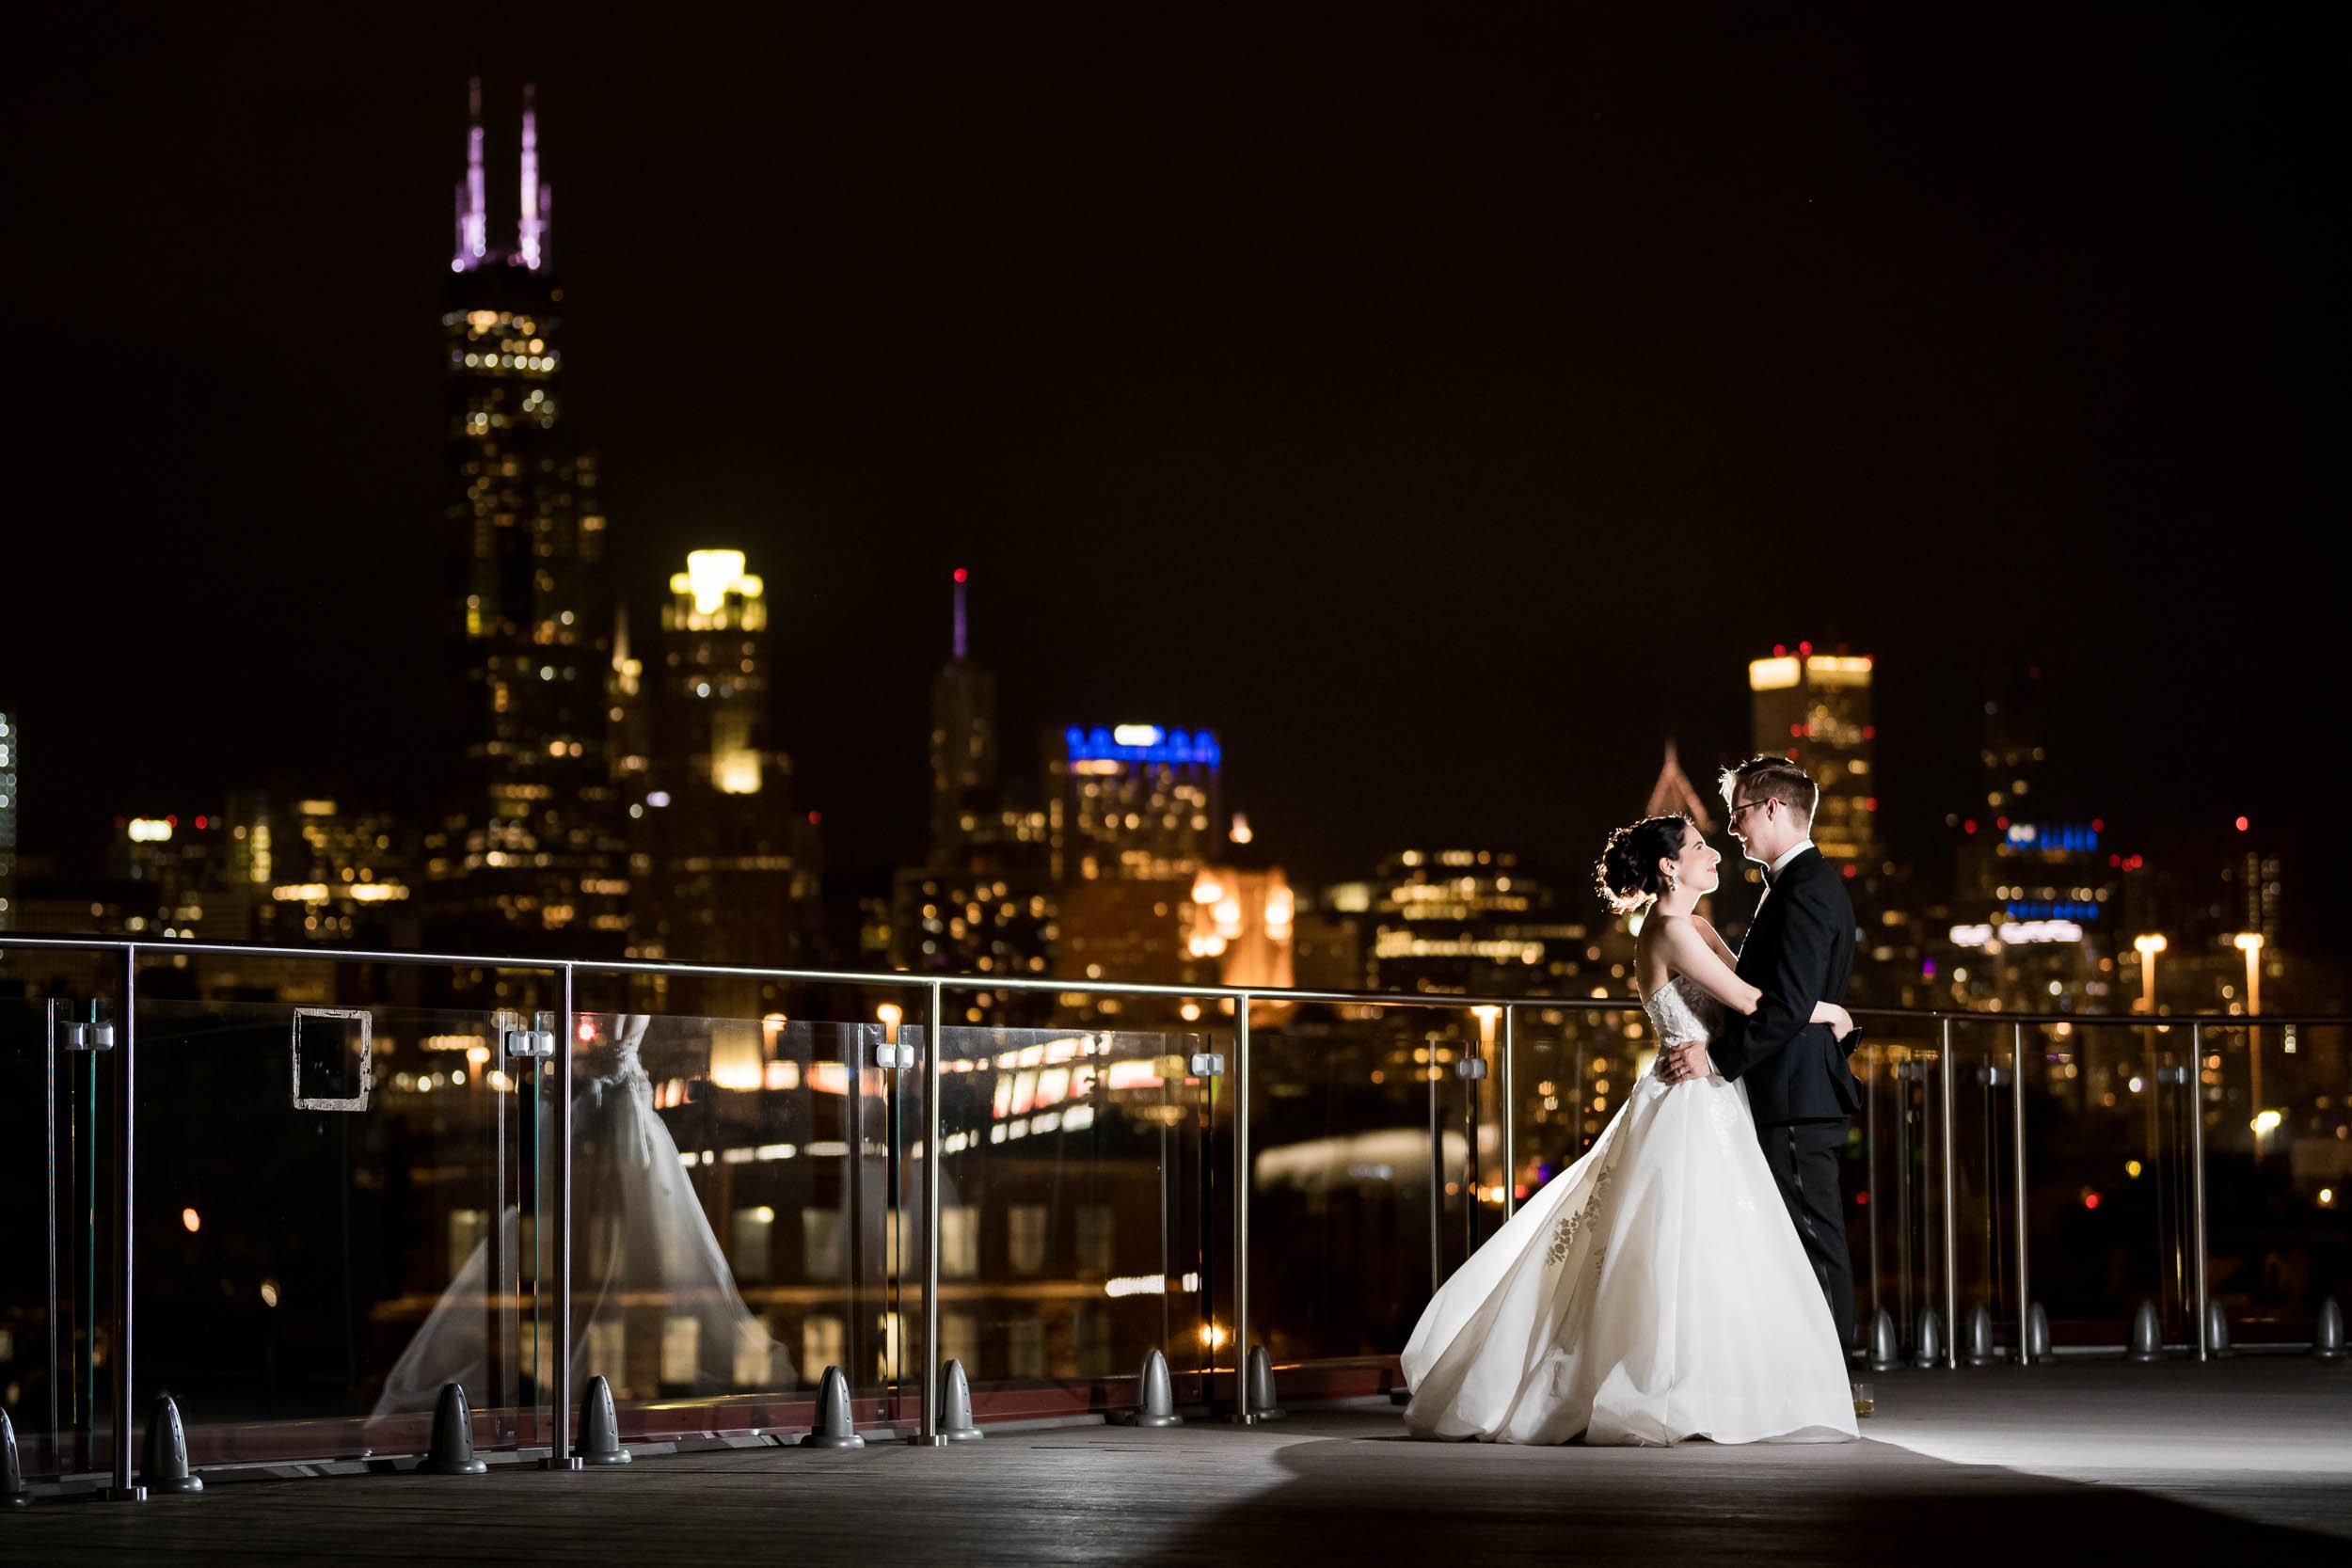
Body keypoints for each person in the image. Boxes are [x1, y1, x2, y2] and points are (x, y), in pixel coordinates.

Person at [1399, 813, 1857, 1445]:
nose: (1714, 855)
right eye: (1700, 847)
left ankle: (1718, 1383)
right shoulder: (1672, 930)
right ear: (1670, 866)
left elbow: (1759, 990)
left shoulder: (1693, 925)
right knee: (1682, 1243)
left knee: (1707, 1245)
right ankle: (1681, 1386)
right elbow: (1752, 1003)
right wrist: (1831, 1010)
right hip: (1691, 1103)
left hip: (1711, 1095)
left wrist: (1811, 1007)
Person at [1661, 755, 1864, 1352]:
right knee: (1797, 1239)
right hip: (1794, 1086)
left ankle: (1836, 1378)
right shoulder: (1804, 885)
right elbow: (1795, 1000)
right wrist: (1830, 1015)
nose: (1734, 829)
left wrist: (1716, 1060)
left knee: (1812, 1241)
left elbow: (1785, 1004)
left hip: (1797, 1092)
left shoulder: (1802, 891)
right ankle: (1816, 1374)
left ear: (1772, 808)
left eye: (1739, 814)